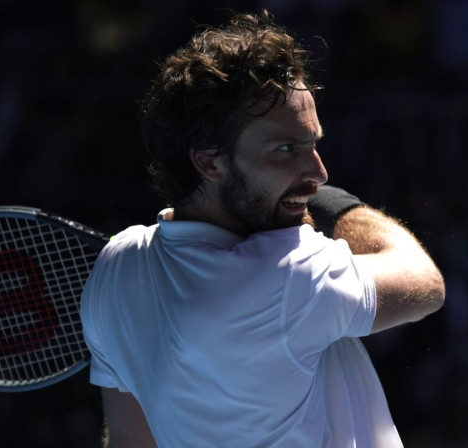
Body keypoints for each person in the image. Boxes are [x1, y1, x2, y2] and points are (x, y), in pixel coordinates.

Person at [80, 10, 445, 448]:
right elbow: (425, 283)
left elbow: (130, 441)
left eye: (313, 144)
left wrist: (292, 186)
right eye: (286, 149)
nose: (318, 173)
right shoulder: (288, 274)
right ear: (210, 161)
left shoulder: (116, 267)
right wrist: (340, 206)